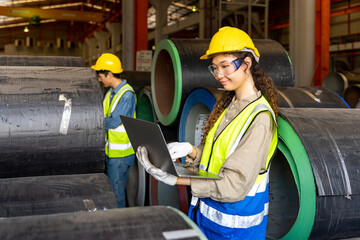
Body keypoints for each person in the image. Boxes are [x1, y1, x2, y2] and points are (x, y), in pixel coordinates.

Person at [136, 26, 278, 239]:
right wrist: (191, 150)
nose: (219, 75)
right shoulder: (231, 104)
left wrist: (176, 180)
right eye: (214, 68)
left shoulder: (259, 119)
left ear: (247, 64)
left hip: (234, 229)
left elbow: (233, 184)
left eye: (225, 66)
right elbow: (217, 158)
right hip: (207, 217)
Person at [91, 53, 136, 208]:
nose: (99, 79)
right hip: (111, 152)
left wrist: (91, 124)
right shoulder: (110, 93)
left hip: (121, 155)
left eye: (100, 75)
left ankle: (119, 224)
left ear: (108, 74)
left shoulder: (126, 95)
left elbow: (115, 121)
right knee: (111, 191)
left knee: (116, 194)